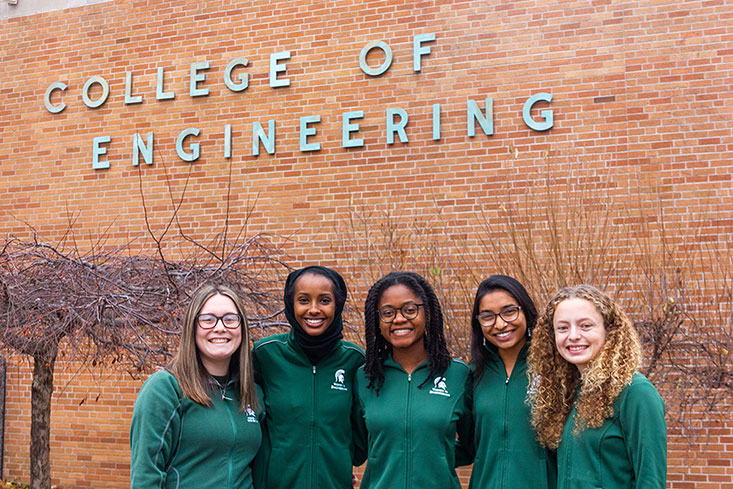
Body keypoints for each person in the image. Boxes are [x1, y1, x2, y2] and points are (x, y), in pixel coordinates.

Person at [528, 284, 667, 489]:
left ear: (608, 330)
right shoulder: (568, 392)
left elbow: (651, 480)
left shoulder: (635, 392)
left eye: (585, 325)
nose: (573, 335)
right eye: (563, 328)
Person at [130, 283, 263, 489]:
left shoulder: (253, 394)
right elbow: (146, 476)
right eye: (208, 320)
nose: (220, 327)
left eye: (230, 319)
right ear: (192, 328)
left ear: (242, 328)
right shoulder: (166, 388)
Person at [252, 266, 365, 489]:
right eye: (303, 300)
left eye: (324, 300)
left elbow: (362, 433)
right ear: (291, 304)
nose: (313, 309)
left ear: (338, 305)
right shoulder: (266, 354)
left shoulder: (354, 360)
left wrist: (337, 461)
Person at [355, 271, 471, 489]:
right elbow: (355, 446)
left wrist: (435, 458)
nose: (399, 319)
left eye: (410, 310)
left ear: (426, 313)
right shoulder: (365, 378)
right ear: (377, 320)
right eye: (388, 312)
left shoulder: (457, 374)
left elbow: (473, 444)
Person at [457, 275, 556, 489]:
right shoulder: (474, 374)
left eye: (509, 312)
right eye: (487, 316)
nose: (500, 324)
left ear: (526, 312)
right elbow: (469, 444)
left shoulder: (553, 368)